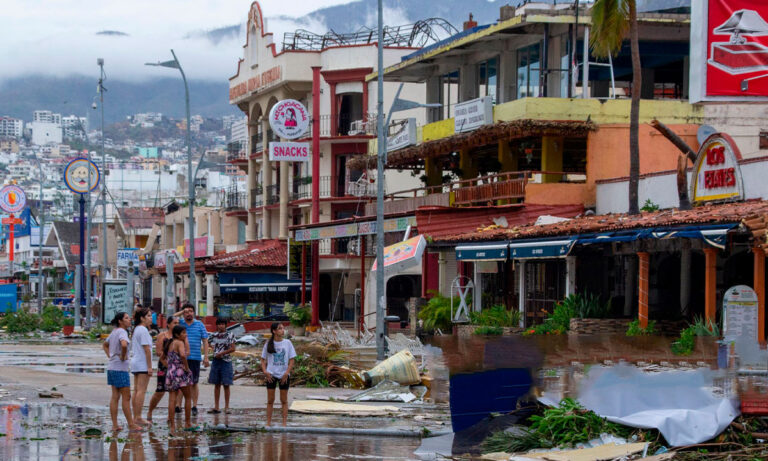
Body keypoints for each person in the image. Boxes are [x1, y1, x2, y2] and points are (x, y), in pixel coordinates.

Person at [102, 311, 141, 432]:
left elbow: (105, 344)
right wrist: (123, 356)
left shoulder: (114, 332)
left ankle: (115, 424)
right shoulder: (122, 332)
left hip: (112, 367)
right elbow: (124, 345)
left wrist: (111, 356)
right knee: (126, 397)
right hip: (120, 368)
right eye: (127, 318)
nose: (129, 320)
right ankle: (131, 423)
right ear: (120, 321)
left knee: (115, 396)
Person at [146, 315, 185, 422]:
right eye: (174, 323)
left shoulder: (180, 337)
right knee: (160, 391)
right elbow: (158, 352)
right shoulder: (162, 336)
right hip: (164, 365)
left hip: (177, 366)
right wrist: (169, 358)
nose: (176, 325)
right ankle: (150, 411)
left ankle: (170, 417)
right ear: (168, 324)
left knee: (174, 392)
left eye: (178, 323)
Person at [176, 303, 209, 415]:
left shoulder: (199, 325)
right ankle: (178, 405)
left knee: (194, 382)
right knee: (181, 382)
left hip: (195, 357)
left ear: (194, 313)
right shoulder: (180, 323)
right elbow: (171, 318)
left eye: (190, 311)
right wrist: (181, 312)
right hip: (181, 358)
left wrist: (206, 357)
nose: (188, 313)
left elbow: (205, 341)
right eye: (186, 311)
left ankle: (194, 406)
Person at [261, 322, 296, 427]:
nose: (282, 330)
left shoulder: (287, 343)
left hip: (284, 375)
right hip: (271, 375)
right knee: (270, 400)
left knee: (284, 400)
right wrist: (265, 371)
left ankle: (284, 423)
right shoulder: (268, 343)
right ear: (274, 331)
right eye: (280, 328)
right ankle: (268, 423)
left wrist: (287, 373)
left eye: (283, 328)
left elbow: (292, 360)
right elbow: (263, 360)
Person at [165, 325, 194, 430]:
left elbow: (163, 358)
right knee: (188, 397)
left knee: (172, 399)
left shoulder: (170, 343)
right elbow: (182, 355)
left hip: (170, 373)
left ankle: (172, 425)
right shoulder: (180, 343)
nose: (185, 335)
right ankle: (187, 423)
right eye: (183, 333)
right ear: (177, 334)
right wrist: (186, 367)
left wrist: (170, 367)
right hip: (180, 372)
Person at [130, 308, 153, 426]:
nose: (151, 317)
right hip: (142, 363)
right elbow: (147, 350)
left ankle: (136, 416)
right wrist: (150, 367)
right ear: (142, 318)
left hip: (136, 363)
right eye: (148, 316)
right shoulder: (143, 330)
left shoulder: (137, 330)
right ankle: (138, 416)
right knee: (141, 391)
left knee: (137, 390)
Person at [207, 318, 236, 414]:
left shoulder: (230, 335)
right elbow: (208, 342)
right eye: (219, 324)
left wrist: (222, 353)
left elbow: (233, 348)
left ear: (225, 325)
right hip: (216, 361)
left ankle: (227, 407)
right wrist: (214, 349)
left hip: (226, 361)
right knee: (216, 384)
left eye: (223, 324)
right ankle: (216, 407)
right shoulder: (213, 335)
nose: (221, 326)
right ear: (217, 325)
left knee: (226, 384)